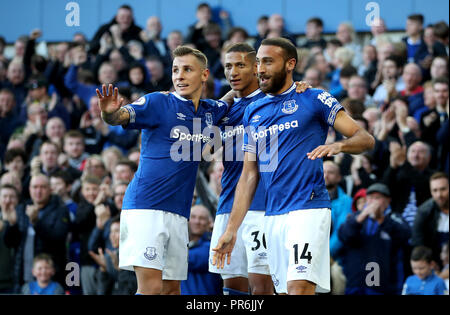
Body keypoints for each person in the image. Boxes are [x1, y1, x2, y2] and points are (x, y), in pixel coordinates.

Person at [212, 37, 374, 295]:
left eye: (268, 62)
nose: (260, 69)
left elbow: (364, 138)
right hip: (272, 216)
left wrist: (338, 146)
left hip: (307, 208)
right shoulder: (254, 111)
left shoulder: (314, 97)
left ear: (290, 64)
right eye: (258, 63)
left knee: (299, 288)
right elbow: (249, 175)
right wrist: (232, 230)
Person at [97, 45, 233, 295]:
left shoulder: (210, 112)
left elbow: (231, 98)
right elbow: (119, 117)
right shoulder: (157, 101)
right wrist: (109, 114)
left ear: (204, 75)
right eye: (175, 70)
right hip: (146, 208)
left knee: (172, 290)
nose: (179, 75)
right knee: (150, 289)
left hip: (179, 214)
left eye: (187, 69)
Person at [207, 43, 273, 295]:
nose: (233, 72)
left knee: (262, 286)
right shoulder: (226, 109)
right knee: (232, 286)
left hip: (262, 204)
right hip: (228, 205)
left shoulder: (271, 102)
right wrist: (221, 104)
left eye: (240, 65)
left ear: (256, 69)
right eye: (228, 66)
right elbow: (203, 150)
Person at [338, 183, 411, 295]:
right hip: (356, 281)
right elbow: (343, 235)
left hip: (382, 284)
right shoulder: (356, 217)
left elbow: (405, 235)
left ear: (388, 201)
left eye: (378, 198)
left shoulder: (394, 218)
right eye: (370, 198)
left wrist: (381, 219)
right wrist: (361, 217)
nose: (373, 202)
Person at [3, 174, 70, 293]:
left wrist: (36, 222)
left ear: (50, 189)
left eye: (42, 187)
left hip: (49, 277)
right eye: (35, 187)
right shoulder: (21, 208)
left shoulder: (61, 210)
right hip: (23, 275)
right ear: (29, 189)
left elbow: (58, 237)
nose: (38, 191)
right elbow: (10, 243)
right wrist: (12, 225)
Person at [181, 205, 223, 295]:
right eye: (193, 217)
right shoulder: (180, 243)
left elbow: (197, 258)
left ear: (209, 223)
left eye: (202, 218)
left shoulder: (215, 245)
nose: (197, 221)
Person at [412, 172, 449, 265]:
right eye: (435, 190)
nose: (439, 195)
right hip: (433, 264)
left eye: (443, 189)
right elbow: (418, 243)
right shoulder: (423, 211)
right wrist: (429, 264)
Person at [323, 161, 352, 263]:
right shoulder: (309, 197)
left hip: (334, 259)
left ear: (339, 177)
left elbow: (340, 231)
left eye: (330, 172)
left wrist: (324, 255)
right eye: (323, 172)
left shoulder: (346, 201)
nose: (325, 176)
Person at [0, 184, 19, 293]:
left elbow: (14, 243)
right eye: (4, 196)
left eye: (11, 197)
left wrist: (13, 225)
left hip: (14, 281)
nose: (8, 200)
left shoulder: (25, 219)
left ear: (17, 200)